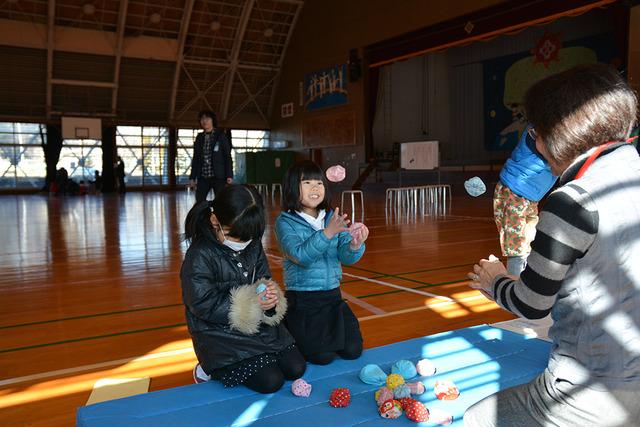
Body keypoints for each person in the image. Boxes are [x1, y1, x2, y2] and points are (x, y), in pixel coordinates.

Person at [464, 64, 640, 426]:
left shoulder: (572, 201)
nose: (535, 141)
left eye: (535, 132)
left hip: (592, 393)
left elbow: (531, 305)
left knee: (475, 418)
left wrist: (493, 280)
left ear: (555, 134)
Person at [181, 184, 305, 393]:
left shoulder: (251, 242)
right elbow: (201, 304)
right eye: (236, 236)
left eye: (248, 237)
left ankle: (261, 357)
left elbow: (264, 278)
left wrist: (269, 297)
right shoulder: (199, 255)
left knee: (296, 368)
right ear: (215, 222)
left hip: (256, 323)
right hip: (218, 331)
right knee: (271, 381)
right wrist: (250, 304)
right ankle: (206, 369)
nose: (244, 243)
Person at [275, 160, 369, 365]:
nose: (315, 187)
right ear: (292, 187)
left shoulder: (331, 217)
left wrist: (355, 245)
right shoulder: (285, 222)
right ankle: (289, 331)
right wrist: (327, 234)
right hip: (304, 301)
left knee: (353, 351)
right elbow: (300, 256)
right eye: (307, 183)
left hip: (332, 297)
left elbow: (346, 256)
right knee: (322, 357)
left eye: (319, 183)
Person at [493, 124, 557, 275]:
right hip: (514, 193)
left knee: (531, 242)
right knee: (518, 246)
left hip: (530, 198)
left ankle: (526, 283)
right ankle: (515, 288)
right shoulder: (538, 131)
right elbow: (552, 152)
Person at [188, 110, 233, 203]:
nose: (204, 121)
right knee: (199, 201)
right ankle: (203, 218)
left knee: (221, 202)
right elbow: (196, 158)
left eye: (207, 118)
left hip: (219, 176)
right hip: (203, 176)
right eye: (202, 119)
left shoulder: (221, 136)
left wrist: (229, 175)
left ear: (213, 120)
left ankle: (219, 217)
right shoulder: (199, 137)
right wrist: (192, 178)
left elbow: (227, 156)